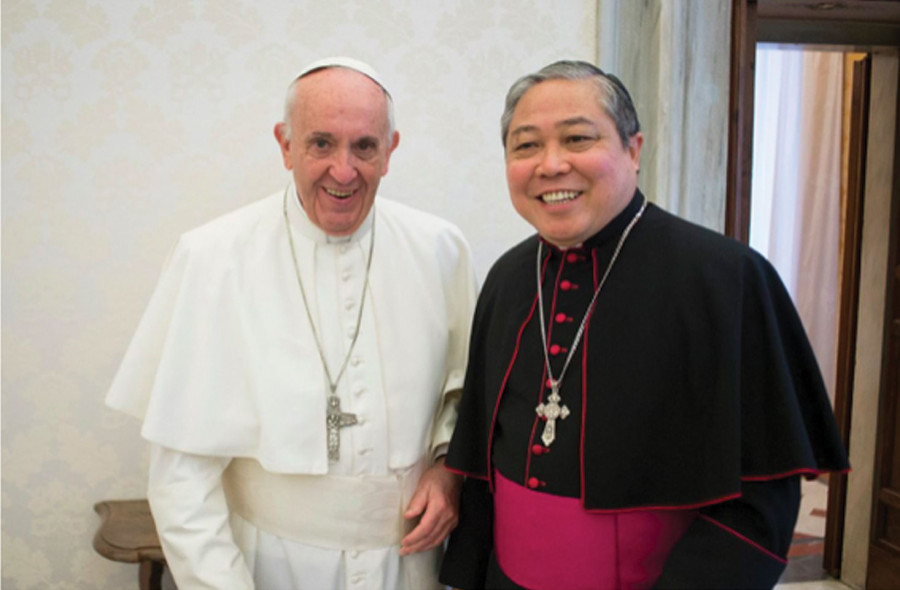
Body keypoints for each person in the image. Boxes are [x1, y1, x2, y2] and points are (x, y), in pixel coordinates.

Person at [438, 60, 849, 590]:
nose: (552, 164)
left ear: (633, 149)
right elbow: (481, 463)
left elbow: (763, 491)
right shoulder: (508, 277)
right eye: (526, 146)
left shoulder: (727, 278)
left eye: (578, 138)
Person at [106, 57, 477, 590]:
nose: (343, 170)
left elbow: (462, 399)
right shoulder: (213, 257)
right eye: (321, 144)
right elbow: (181, 478)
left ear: (390, 151)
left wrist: (447, 472)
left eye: (365, 146)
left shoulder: (441, 250)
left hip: (408, 566)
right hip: (267, 566)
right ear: (285, 145)